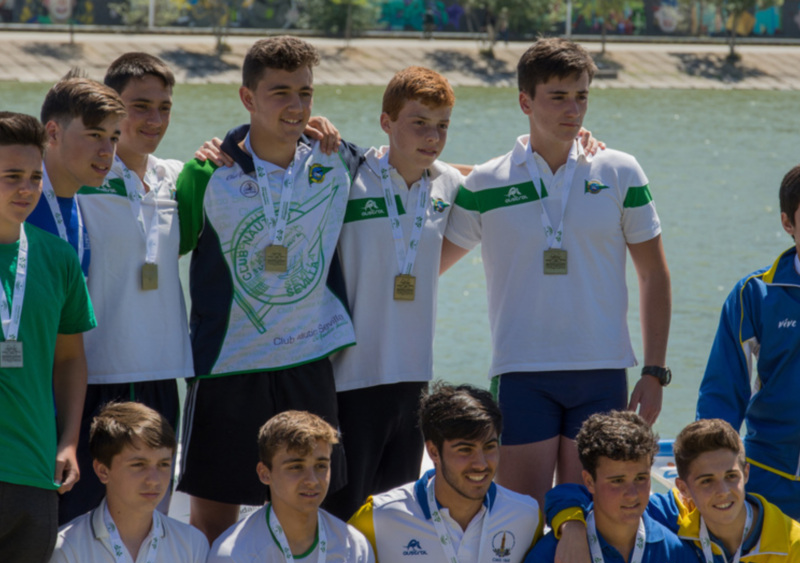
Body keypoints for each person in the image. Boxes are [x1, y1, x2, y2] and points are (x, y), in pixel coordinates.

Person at [440, 37, 672, 508]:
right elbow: (430, 269)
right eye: (559, 96)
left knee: (595, 518)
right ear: (526, 101)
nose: (574, 109)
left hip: (602, 371)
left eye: (582, 95)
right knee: (521, 521)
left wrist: (653, 370)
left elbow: (654, 275)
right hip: (523, 373)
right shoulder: (486, 182)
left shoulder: (620, 171)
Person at [175, 35, 365, 543]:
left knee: (304, 516)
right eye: (280, 92)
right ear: (247, 98)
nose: (297, 106)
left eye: (305, 93)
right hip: (228, 366)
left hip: (307, 364)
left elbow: (419, 166)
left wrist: (561, 154)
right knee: (212, 525)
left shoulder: (336, 159)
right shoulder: (206, 171)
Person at [55, 52, 194, 525]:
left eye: (165, 107)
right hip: (94, 370)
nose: (154, 119)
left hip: (160, 369)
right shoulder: (82, 176)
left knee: (149, 515)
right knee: (79, 518)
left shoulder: (176, 177)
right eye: (140, 106)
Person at [324, 66, 464, 521]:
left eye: (442, 125)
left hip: (412, 381)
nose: (433, 137)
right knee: (341, 514)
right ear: (386, 122)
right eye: (419, 123)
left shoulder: (449, 185)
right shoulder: (348, 174)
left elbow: (505, 175)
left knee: (393, 521)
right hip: (348, 378)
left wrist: (582, 148)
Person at [0, 111, 95, 563]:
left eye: (35, 176)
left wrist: (69, 442)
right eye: (11, 177)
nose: (27, 188)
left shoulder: (58, 258)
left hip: (33, 471)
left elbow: (70, 360)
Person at [547, 418, 800, 563]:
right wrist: (573, 527)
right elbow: (575, 494)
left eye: (731, 476)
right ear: (684, 488)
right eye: (706, 480)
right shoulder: (674, 514)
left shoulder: (794, 545)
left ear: (746, 473)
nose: (723, 491)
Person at [349, 381, 543, 563]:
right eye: (465, 450)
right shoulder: (378, 516)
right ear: (433, 451)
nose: (480, 463)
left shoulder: (526, 515)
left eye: (489, 447)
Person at [697, 164, 800, 520]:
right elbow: (722, 396)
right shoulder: (753, 295)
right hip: (769, 477)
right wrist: (709, 470)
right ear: (788, 223)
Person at [514, 411, 709, 563]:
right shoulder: (551, 558)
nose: (632, 494)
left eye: (641, 478)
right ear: (589, 482)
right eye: (617, 481)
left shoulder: (676, 554)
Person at [39, 402, 209, 563]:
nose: (153, 479)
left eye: (163, 464)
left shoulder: (192, 544)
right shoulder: (66, 548)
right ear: (103, 471)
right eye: (138, 465)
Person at [206, 410, 375, 563]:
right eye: (296, 467)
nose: (312, 480)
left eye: (321, 466)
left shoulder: (356, 548)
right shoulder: (232, 554)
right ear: (264, 473)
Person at [27, 71, 127, 277]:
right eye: (95, 135)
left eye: (113, 139)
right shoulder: (16, 201)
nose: (107, 151)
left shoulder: (84, 208)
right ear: (52, 133)